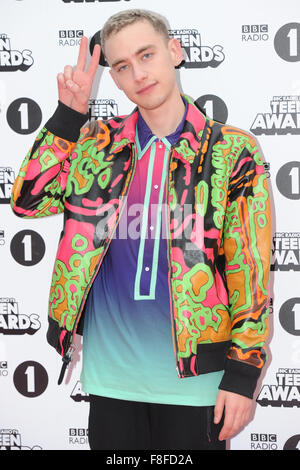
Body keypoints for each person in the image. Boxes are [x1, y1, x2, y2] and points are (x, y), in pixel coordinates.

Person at [11, 9, 272, 451]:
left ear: (174, 51)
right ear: (113, 78)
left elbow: (251, 269)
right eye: (122, 66)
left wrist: (244, 374)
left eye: (146, 54)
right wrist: (67, 118)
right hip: (112, 380)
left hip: (196, 381)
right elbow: (27, 200)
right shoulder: (95, 146)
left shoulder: (232, 150)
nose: (138, 73)